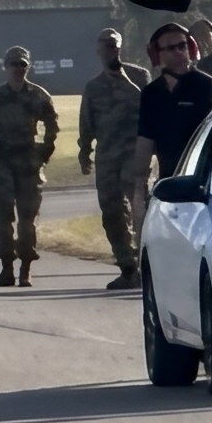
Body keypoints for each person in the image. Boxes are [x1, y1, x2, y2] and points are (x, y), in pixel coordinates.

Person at [0, 45, 59, 286]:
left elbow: (52, 126)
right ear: (5, 67)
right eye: (14, 64)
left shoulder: (39, 95)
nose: (18, 69)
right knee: (2, 220)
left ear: (28, 66)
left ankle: (25, 267)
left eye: (22, 64)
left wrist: (44, 152)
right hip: (1, 163)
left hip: (28, 163)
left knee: (27, 219)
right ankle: (6, 267)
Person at [77, 27, 148, 290]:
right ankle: (127, 267)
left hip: (135, 155)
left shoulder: (139, 77)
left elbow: (149, 108)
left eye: (115, 45)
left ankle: (145, 266)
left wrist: (125, 80)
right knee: (112, 214)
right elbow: (87, 122)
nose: (111, 50)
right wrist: (84, 151)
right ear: (99, 50)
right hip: (107, 157)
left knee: (140, 212)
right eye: (107, 46)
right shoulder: (93, 87)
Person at [137, 22, 212, 196]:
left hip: (206, 182)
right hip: (168, 181)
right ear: (157, 55)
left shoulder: (207, 85)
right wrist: (139, 184)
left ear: (191, 48)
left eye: (182, 46)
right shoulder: (151, 93)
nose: (178, 52)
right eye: (170, 48)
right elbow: (145, 141)